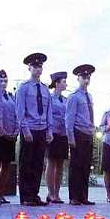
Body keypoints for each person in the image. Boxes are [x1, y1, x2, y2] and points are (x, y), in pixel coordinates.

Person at [15, 52, 51, 207]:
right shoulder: (23, 87)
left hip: (42, 129)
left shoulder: (44, 89)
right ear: (29, 68)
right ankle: (25, 196)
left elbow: (48, 110)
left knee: (37, 164)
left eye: (40, 66)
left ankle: (34, 194)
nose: (38, 69)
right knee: (26, 163)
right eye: (35, 66)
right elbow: (20, 110)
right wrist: (25, 129)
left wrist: (49, 130)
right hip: (29, 129)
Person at [66, 64, 96, 206]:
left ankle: (83, 196)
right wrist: (70, 137)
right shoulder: (74, 97)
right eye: (83, 77)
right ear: (78, 78)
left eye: (88, 77)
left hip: (88, 134)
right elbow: (69, 119)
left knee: (85, 166)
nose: (86, 79)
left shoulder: (89, 96)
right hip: (78, 133)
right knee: (76, 166)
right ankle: (74, 197)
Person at [0, 69, 18, 205]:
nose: (3, 83)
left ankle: (2, 193)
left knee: (7, 164)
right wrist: (1, 129)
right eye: (1, 80)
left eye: (5, 81)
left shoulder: (11, 96)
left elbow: (16, 115)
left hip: (11, 135)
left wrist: (16, 131)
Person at [45, 71, 68, 204]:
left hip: (63, 134)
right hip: (52, 133)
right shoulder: (49, 98)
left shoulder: (66, 100)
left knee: (60, 164)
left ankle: (57, 194)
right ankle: (50, 193)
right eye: (64, 81)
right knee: (51, 162)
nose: (65, 83)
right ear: (57, 83)